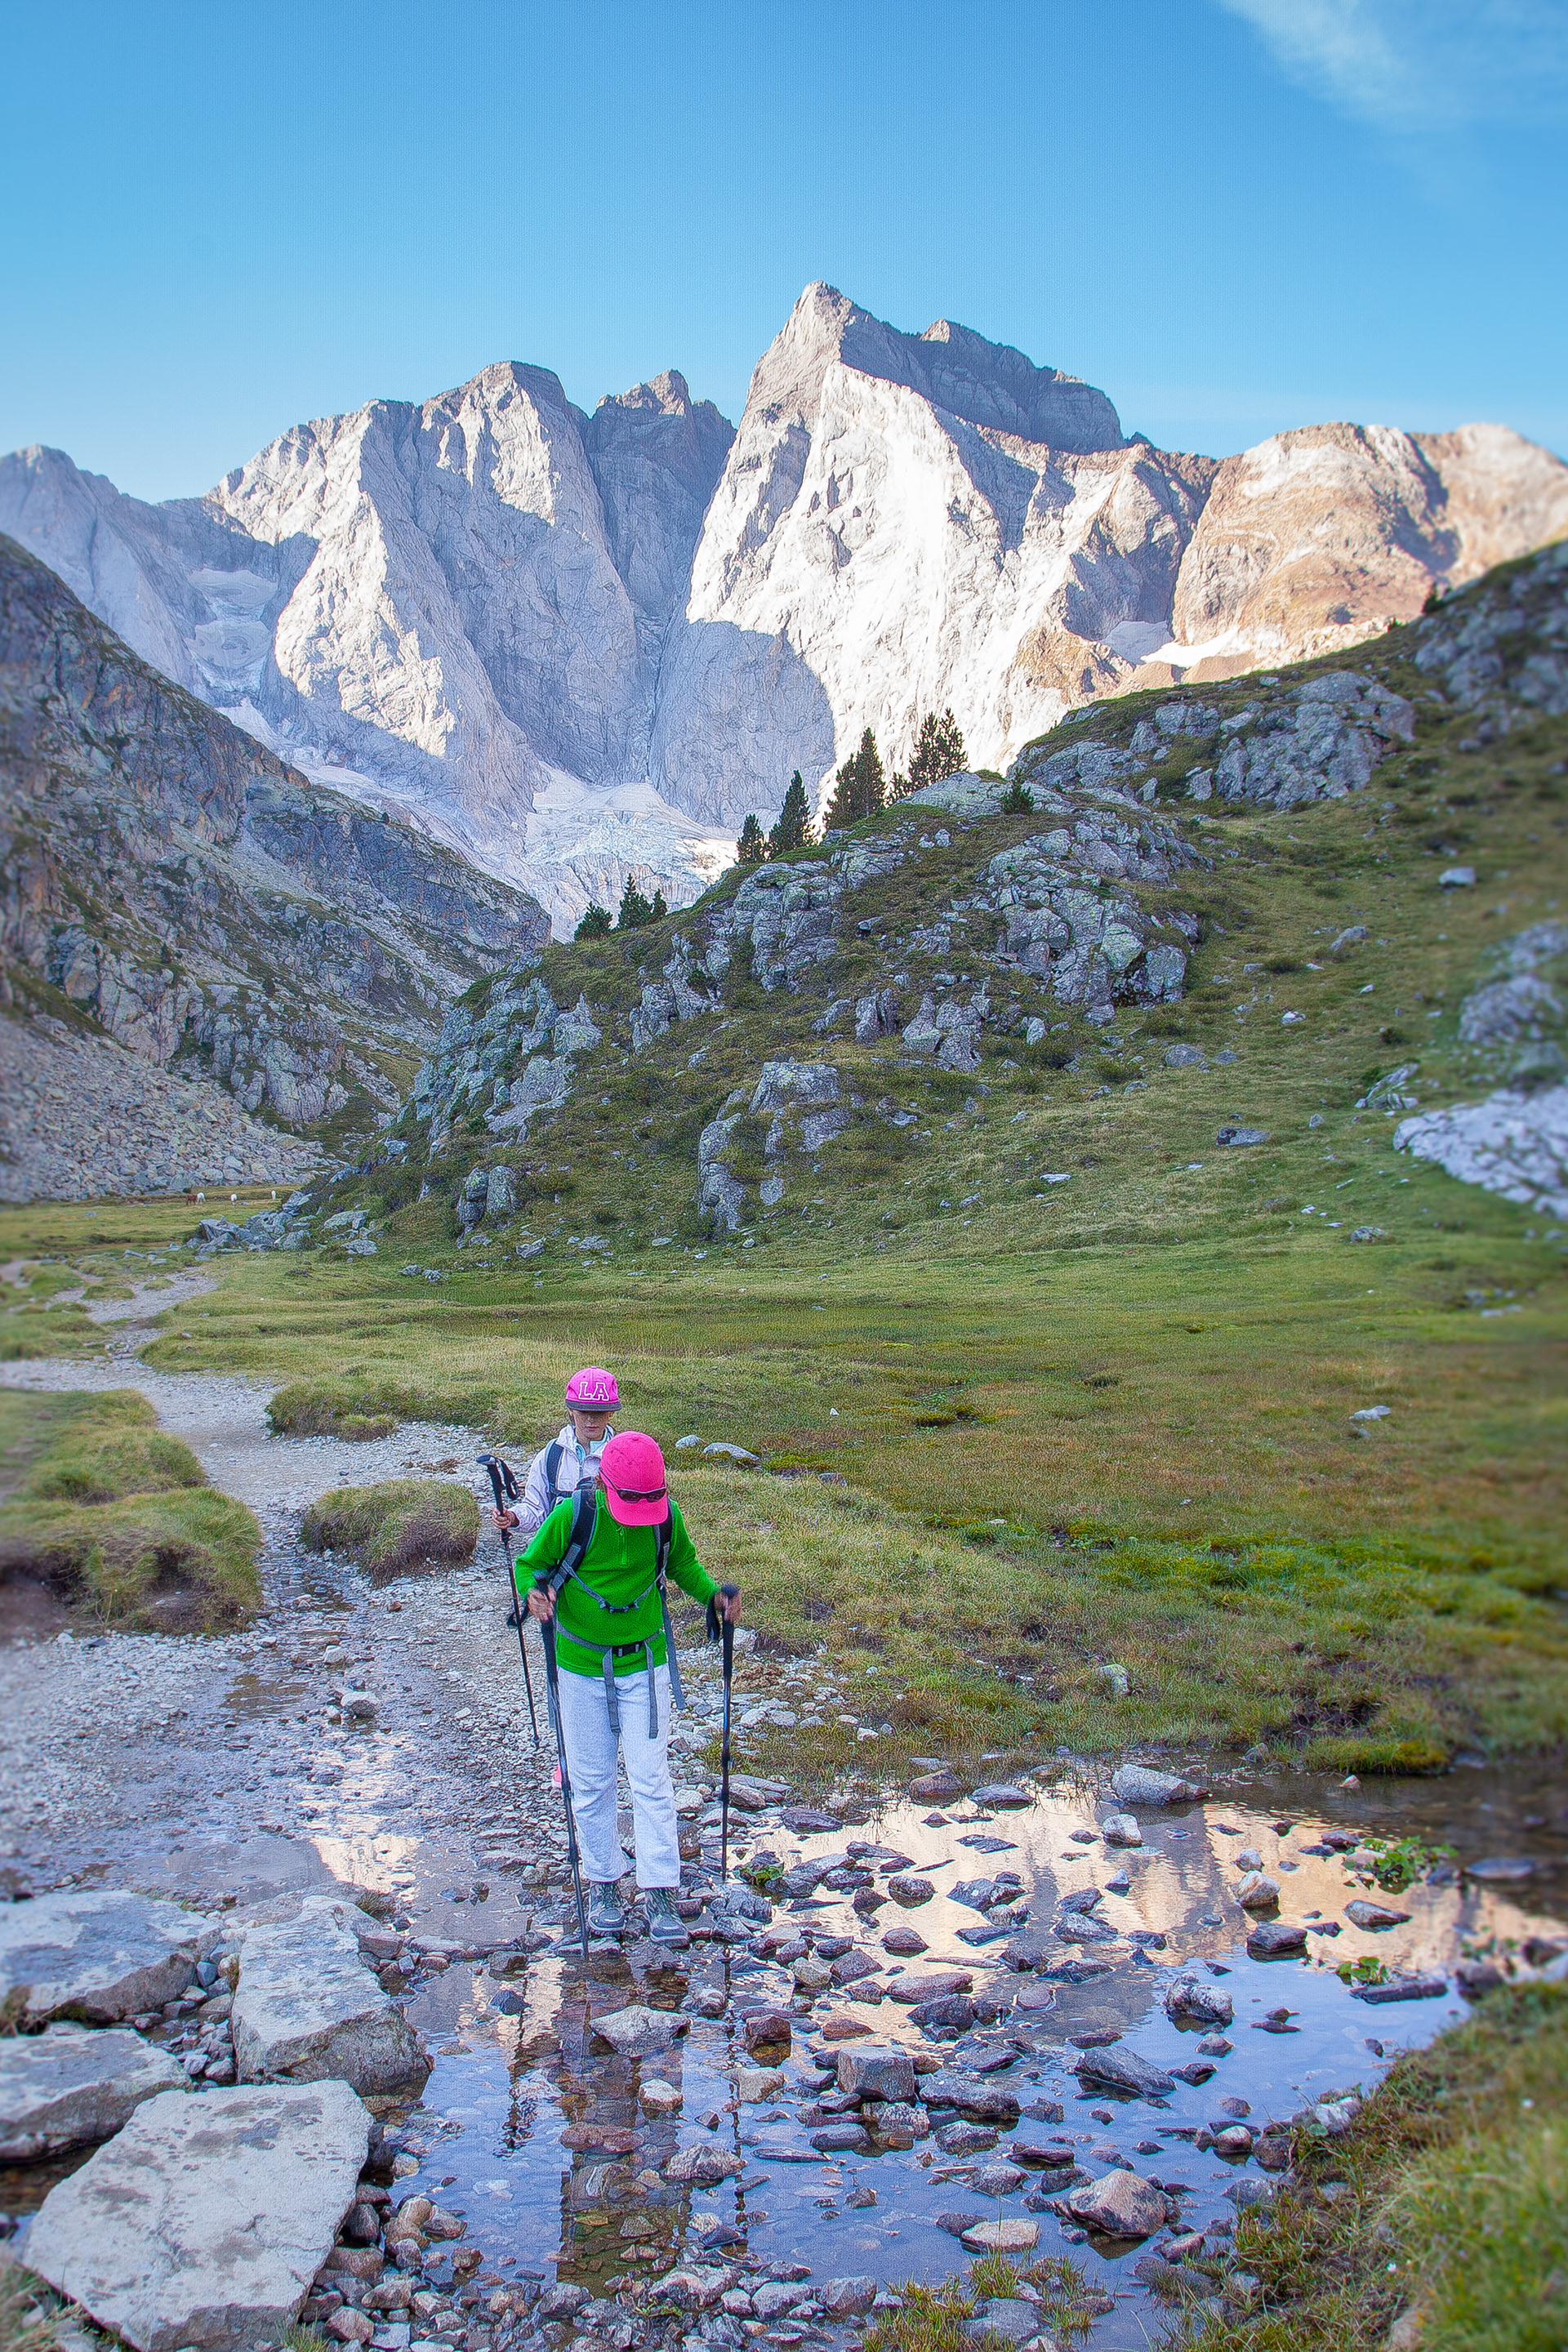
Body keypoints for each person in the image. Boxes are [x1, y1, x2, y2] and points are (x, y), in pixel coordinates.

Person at [507, 1429, 741, 1945]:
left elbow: (682, 1566)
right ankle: (604, 1886)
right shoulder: (573, 1515)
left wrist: (713, 1598)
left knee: (651, 1780)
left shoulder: (666, 1516)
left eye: (649, 1502)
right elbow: (530, 1565)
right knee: (590, 1782)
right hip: (579, 1665)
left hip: (645, 1663)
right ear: (605, 1485)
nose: (642, 1511)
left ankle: (660, 1893)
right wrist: (534, 1594)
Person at [506, 1366, 621, 1540]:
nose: (591, 1419)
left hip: (605, 1557)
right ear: (571, 1410)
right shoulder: (550, 1456)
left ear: (611, 1412)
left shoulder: (624, 1457)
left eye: (599, 1412)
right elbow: (536, 1510)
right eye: (583, 1411)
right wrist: (514, 1518)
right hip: (560, 1557)